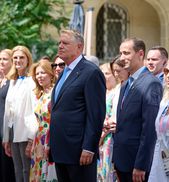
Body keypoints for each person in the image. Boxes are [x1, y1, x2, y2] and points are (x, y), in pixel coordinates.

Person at [49, 29, 106, 182]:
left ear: (79, 47)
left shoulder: (91, 72)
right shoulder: (64, 72)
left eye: (65, 43)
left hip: (79, 152)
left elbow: (96, 115)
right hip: (61, 150)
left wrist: (89, 147)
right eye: (59, 43)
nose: (60, 46)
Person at [113, 38, 163, 182]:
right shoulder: (125, 85)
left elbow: (150, 129)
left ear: (140, 54)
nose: (122, 58)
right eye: (121, 53)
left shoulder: (151, 84)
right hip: (121, 161)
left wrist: (142, 164)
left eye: (126, 53)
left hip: (137, 164)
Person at [3, 45, 37, 182]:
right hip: (13, 132)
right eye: (15, 58)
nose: (18, 60)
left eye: (21, 57)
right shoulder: (13, 82)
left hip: (25, 132)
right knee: (17, 169)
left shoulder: (32, 81)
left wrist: (31, 137)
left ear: (28, 60)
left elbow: (33, 110)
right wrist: (6, 136)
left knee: (26, 170)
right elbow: (8, 111)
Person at [148, 55, 169, 182]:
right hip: (162, 166)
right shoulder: (165, 101)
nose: (168, 75)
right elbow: (159, 140)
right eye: (166, 71)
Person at [29, 60, 57, 182]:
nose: (39, 76)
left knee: (48, 172)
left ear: (51, 74)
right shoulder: (40, 94)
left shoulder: (54, 92)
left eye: (43, 73)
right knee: (38, 171)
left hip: (49, 136)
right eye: (37, 73)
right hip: (38, 138)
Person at [97, 63, 117, 182]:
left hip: (108, 138)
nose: (104, 76)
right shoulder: (103, 93)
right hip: (99, 139)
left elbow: (112, 120)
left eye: (107, 73)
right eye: (102, 73)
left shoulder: (116, 92)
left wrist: (102, 135)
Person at [0, 49, 15, 182]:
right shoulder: (2, 80)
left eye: (5, 59)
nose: (1, 62)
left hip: (6, 134)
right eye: (0, 59)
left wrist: (8, 136)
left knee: (7, 172)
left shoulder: (13, 82)